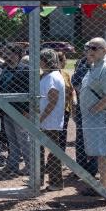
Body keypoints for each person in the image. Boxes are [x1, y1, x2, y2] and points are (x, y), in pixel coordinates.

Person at [78, 38, 106, 194]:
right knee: (100, 152)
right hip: (91, 117)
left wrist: (94, 110)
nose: (90, 51)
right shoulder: (95, 65)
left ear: (104, 50)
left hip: (100, 117)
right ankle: (103, 186)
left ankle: (105, 189)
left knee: (103, 152)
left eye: (94, 48)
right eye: (87, 48)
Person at [0, 43, 32, 176]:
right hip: (6, 111)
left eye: (9, 54)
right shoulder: (5, 70)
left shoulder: (25, 70)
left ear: (18, 55)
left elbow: (31, 92)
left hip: (21, 112)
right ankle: (12, 165)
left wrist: (27, 111)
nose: (6, 56)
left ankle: (30, 166)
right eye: (4, 54)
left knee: (24, 140)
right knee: (12, 140)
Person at [38, 49, 66, 191]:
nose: (38, 62)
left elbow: (53, 101)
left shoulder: (53, 77)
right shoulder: (47, 75)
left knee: (53, 153)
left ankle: (56, 182)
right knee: (39, 151)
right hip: (45, 120)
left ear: (46, 60)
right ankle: (39, 180)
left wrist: (40, 118)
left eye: (40, 59)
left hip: (50, 121)